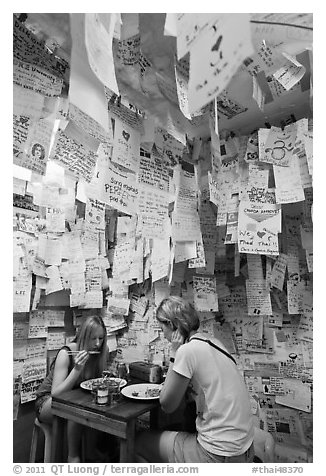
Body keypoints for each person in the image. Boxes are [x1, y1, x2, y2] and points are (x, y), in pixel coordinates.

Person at [135, 296, 254, 463]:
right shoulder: (215, 343)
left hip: (217, 454)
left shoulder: (187, 351)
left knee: (138, 442)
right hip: (245, 450)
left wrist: (174, 354)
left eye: (163, 331)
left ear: (172, 325)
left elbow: (167, 404)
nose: (165, 337)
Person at [35, 315, 108, 463]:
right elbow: (56, 393)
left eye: (101, 338)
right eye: (93, 338)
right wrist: (77, 369)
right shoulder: (67, 353)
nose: (97, 344)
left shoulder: (101, 352)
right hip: (47, 401)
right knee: (75, 410)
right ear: (83, 337)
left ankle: (97, 457)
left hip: (74, 400)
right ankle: (73, 458)